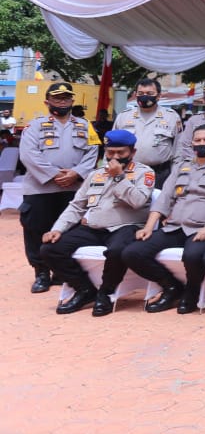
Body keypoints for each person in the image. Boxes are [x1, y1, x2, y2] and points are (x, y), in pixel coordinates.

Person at [122, 124, 205, 314]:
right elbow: (165, 198)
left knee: (193, 255)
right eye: (197, 140)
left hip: (202, 228)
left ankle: (192, 292)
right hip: (174, 227)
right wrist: (149, 227)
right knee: (132, 253)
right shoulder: (182, 166)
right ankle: (171, 286)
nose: (201, 143)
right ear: (192, 142)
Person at [39, 130, 153, 316]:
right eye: (110, 152)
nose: (115, 157)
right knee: (50, 249)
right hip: (94, 227)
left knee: (117, 251)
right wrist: (57, 229)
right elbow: (76, 206)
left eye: (121, 152)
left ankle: (106, 293)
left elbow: (138, 201)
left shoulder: (144, 172)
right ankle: (84, 289)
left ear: (132, 152)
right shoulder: (96, 174)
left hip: (125, 227)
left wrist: (119, 177)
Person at [18, 81, 100, 293]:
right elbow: (28, 155)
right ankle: (41, 273)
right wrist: (54, 175)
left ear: (72, 101)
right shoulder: (34, 126)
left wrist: (76, 173)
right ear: (47, 102)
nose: (62, 102)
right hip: (40, 189)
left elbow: (93, 153)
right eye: (57, 98)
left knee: (69, 230)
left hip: (74, 189)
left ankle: (62, 271)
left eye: (66, 98)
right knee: (36, 229)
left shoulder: (85, 125)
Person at [114, 77, 182, 188]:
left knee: (158, 199)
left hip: (160, 174)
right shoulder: (123, 116)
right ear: (135, 95)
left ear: (159, 96)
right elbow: (112, 145)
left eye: (150, 93)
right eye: (140, 93)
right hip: (129, 171)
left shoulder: (171, 117)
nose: (144, 96)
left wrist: (176, 175)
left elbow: (179, 150)